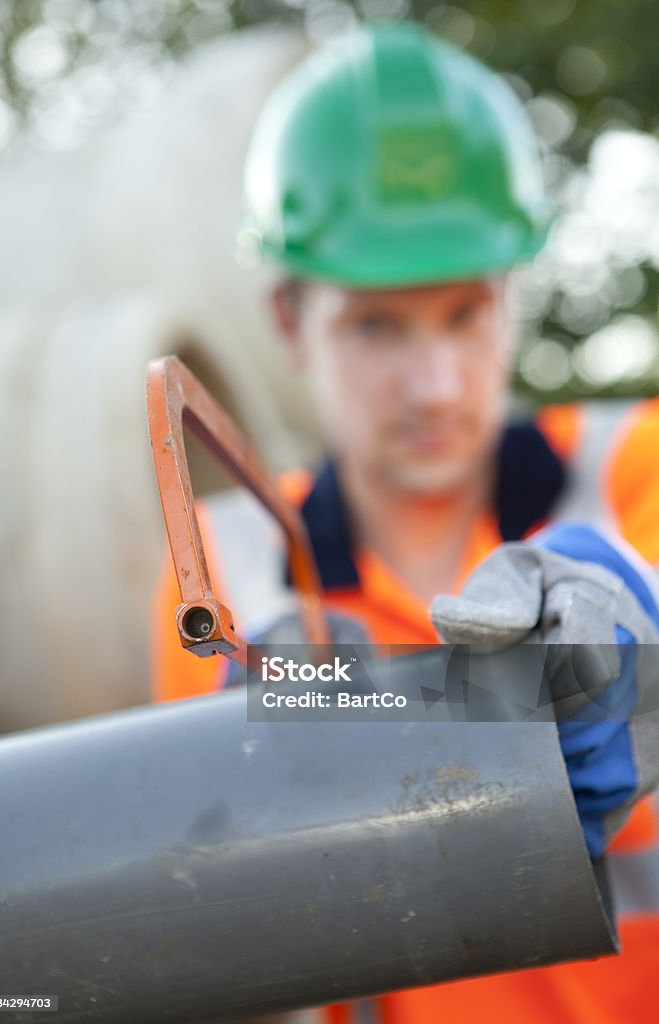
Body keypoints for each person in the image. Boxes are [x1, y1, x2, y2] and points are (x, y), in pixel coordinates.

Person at [152, 21, 659, 1024]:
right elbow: (220, 940)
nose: (432, 385)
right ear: (292, 321)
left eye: (464, 314)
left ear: (513, 296)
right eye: (376, 325)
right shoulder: (227, 571)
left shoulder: (634, 468)